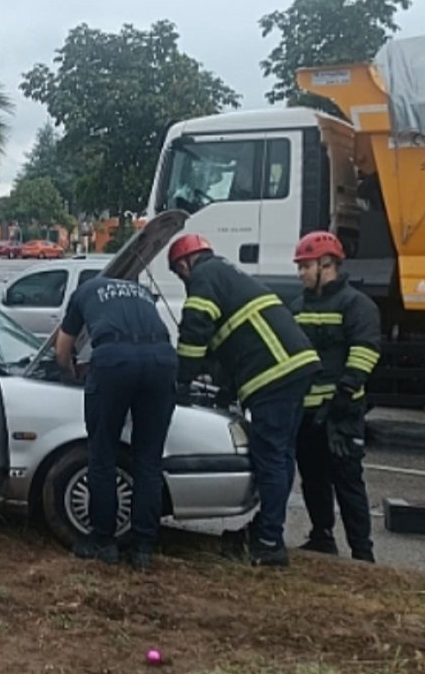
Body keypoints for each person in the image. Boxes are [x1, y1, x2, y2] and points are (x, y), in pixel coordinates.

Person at [168, 234, 320, 567]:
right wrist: (222, 386)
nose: (184, 281)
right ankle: (267, 529)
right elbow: (228, 339)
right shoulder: (227, 274)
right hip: (293, 369)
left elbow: (195, 330)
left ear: (183, 264)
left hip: (274, 374)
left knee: (271, 457)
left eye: (180, 276)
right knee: (281, 455)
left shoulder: (204, 277)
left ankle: (269, 543)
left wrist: (181, 380)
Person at [55, 277, 177, 571]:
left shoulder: (83, 293)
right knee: (149, 460)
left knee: (103, 456)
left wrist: (71, 372)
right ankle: (143, 549)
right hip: (162, 359)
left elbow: (61, 349)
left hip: (114, 360)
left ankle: (103, 542)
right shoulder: (142, 292)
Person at [290, 231, 379, 563]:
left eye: (305, 267)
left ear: (327, 264)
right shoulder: (298, 306)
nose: (300, 274)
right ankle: (321, 537)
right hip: (308, 412)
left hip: (341, 413)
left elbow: (366, 351)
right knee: (312, 479)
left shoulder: (356, 304)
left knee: (348, 483)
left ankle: (362, 553)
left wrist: (344, 394)